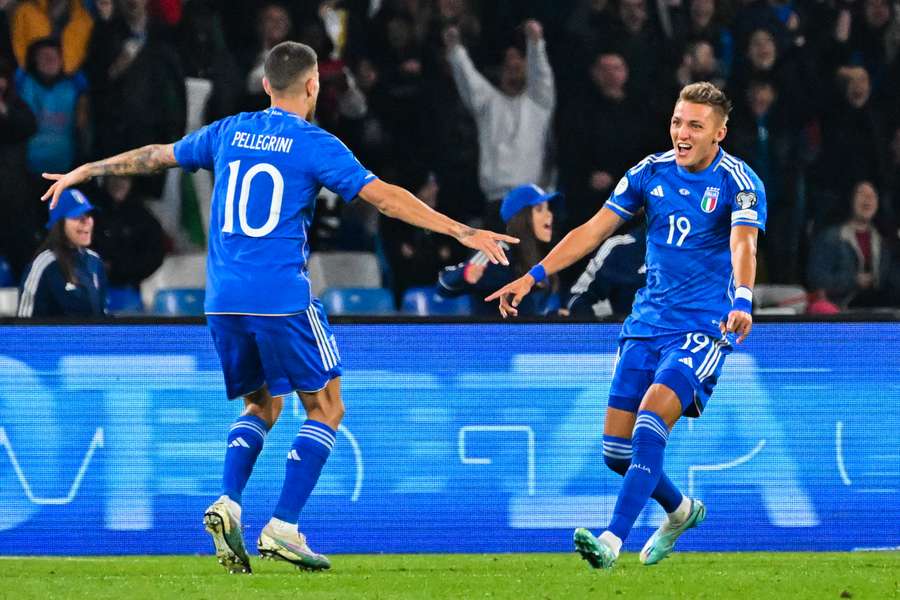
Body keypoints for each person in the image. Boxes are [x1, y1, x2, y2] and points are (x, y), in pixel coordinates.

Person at [41, 40, 516, 574]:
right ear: (313, 86)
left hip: (221, 302)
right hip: (280, 297)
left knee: (262, 406)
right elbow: (383, 197)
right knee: (327, 407)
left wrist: (89, 168)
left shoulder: (227, 132)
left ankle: (228, 500)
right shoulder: (315, 144)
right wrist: (463, 229)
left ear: (266, 84)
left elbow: (157, 156)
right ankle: (284, 525)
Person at [487, 82, 766, 569]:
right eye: (678, 121)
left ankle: (613, 540)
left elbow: (744, 244)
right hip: (646, 326)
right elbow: (593, 231)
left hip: (703, 328)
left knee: (651, 421)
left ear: (720, 133)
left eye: (695, 126)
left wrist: (742, 298)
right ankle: (679, 511)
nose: (681, 132)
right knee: (616, 453)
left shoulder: (739, 182)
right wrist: (533, 276)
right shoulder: (648, 173)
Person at [443, 20, 555, 225]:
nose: (513, 70)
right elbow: (469, 80)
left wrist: (535, 43)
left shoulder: (539, 103)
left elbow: (541, 74)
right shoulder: (489, 105)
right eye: (508, 66)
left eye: (518, 66)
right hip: (497, 202)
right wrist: (455, 49)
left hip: (530, 201)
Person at [438, 184, 559, 316]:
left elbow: (531, 312)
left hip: (526, 335)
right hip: (495, 335)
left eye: (549, 209)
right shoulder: (500, 254)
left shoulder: (545, 254)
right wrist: (464, 274)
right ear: (522, 217)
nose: (549, 215)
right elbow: (443, 285)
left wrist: (556, 317)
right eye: (540, 209)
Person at [807, 181, 900, 309]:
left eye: (872, 196)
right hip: (841, 309)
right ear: (851, 200)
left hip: (878, 310)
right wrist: (853, 281)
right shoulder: (831, 237)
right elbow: (817, 280)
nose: (867, 199)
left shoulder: (883, 243)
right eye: (862, 194)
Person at [17, 188, 107, 318]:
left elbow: (102, 319)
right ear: (59, 224)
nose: (86, 222)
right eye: (77, 216)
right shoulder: (44, 264)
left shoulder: (95, 261)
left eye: (88, 215)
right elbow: (23, 326)